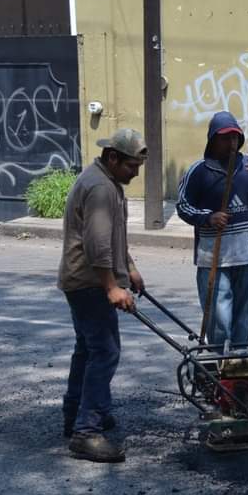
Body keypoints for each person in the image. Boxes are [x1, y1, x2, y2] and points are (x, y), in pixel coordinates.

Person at [58, 128, 148, 463]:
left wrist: (131, 269)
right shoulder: (99, 188)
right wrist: (112, 286)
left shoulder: (107, 182)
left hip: (84, 280)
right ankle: (87, 432)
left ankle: (76, 414)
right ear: (113, 158)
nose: (135, 173)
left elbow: (114, 238)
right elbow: (97, 246)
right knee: (105, 353)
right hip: (89, 283)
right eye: (131, 166)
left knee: (88, 349)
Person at [175, 111, 248, 346]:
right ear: (212, 140)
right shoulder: (199, 171)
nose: (231, 143)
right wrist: (208, 218)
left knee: (242, 319)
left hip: (246, 258)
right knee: (219, 321)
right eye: (224, 138)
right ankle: (219, 366)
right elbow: (183, 206)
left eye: (234, 137)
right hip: (214, 259)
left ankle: (238, 365)